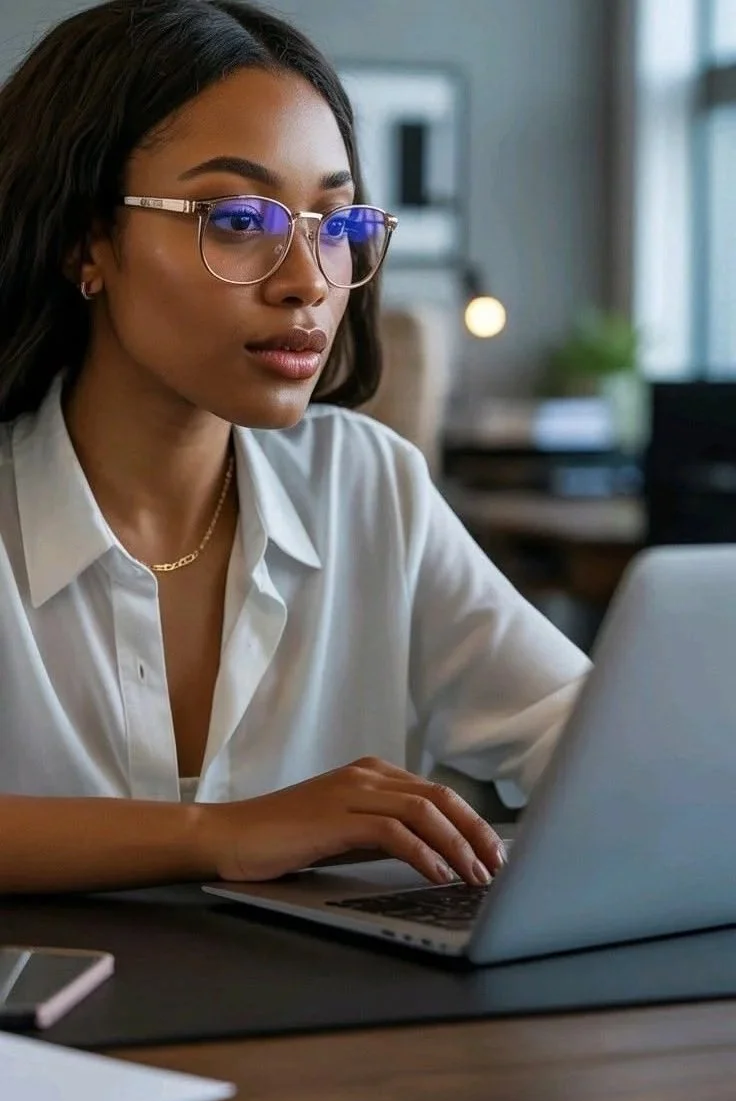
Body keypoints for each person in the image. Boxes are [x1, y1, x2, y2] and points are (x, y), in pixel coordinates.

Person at [0, 0, 590, 896]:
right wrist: (220, 834)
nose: (309, 282)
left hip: (336, 1027)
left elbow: (586, 743)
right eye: (239, 220)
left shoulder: (367, 483)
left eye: (336, 225)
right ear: (88, 241)